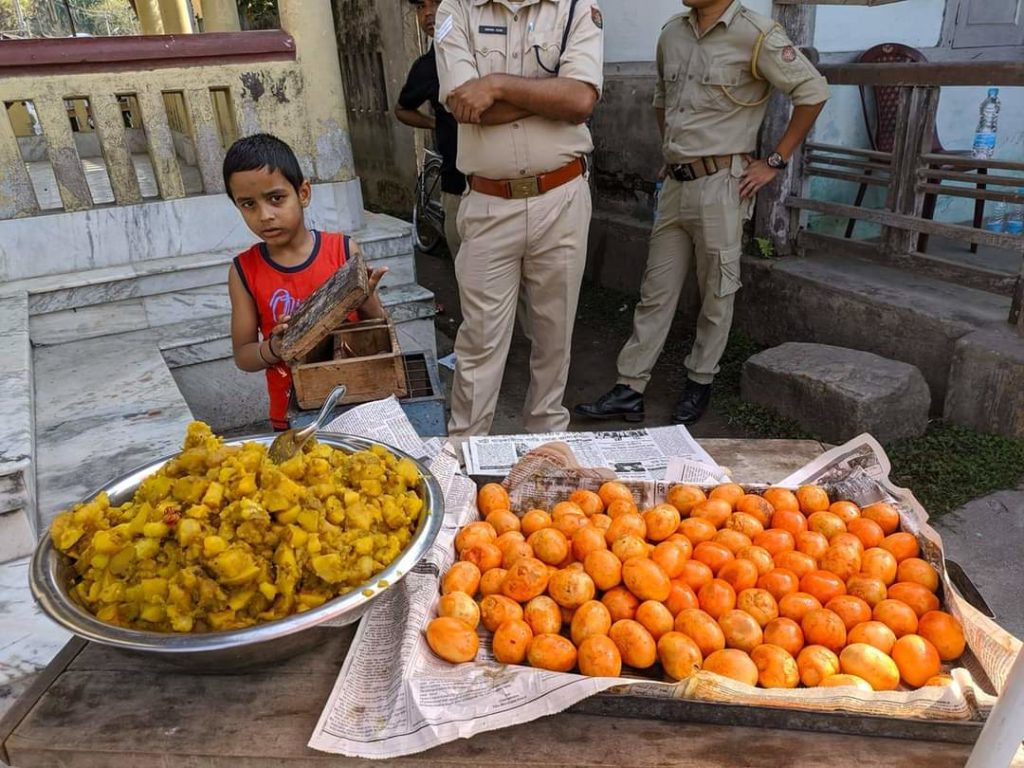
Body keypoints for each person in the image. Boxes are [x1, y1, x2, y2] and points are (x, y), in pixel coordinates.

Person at [574, 0, 828, 426]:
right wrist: (672, 150)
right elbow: (662, 97)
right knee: (656, 290)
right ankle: (629, 388)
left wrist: (775, 161)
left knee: (717, 291)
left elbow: (813, 92)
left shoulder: (757, 34)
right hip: (675, 184)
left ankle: (699, 381)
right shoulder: (671, 33)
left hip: (723, 185)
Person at [435, 0, 604, 437]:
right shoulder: (456, 9)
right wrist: (551, 95)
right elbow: (467, 107)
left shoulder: (574, 7)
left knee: (554, 338)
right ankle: (464, 453)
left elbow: (582, 100)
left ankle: (545, 447)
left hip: (562, 197)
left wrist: (496, 84)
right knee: (479, 341)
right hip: (490, 204)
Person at [224, 133, 388, 431]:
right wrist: (274, 348)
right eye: (248, 204)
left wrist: (366, 301)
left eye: (276, 198)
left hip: (355, 400)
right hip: (293, 411)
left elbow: (379, 328)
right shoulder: (243, 272)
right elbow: (243, 356)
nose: (265, 215)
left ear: (303, 193)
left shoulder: (342, 251)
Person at [395, 0, 467, 255]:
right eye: (420, 6)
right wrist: (435, 122)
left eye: (436, 2)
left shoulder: (481, 53)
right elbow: (402, 109)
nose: (428, 13)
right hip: (458, 187)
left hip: (501, 186)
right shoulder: (426, 66)